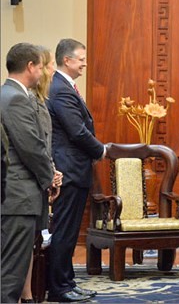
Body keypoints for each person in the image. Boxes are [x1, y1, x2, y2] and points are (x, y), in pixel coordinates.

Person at [47, 38, 105, 302]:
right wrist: (101, 150)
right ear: (67, 60)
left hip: (75, 169)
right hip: (69, 170)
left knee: (69, 232)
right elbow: (77, 131)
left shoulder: (65, 86)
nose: (84, 63)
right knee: (65, 231)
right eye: (81, 58)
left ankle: (68, 281)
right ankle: (59, 288)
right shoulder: (60, 89)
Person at [0, 43, 55, 303]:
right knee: (12, 272)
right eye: (41, 66)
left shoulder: (6, 94)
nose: (43, 72)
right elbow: (31, 147)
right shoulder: (16, 99)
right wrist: (50, 179)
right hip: (18, 196)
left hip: (12, 195)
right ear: (30, 67)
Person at [20, 47, 63, 303]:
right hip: (28, 183)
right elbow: (32, 146)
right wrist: (49, 174)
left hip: (41, 178)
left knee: (33, 243)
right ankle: (25, 294)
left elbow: (45, 145)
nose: (53, 71)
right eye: (49, 66)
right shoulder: (26, 101)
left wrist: (53, 170)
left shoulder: (41, 100)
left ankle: (28, 293)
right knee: (23, 247)